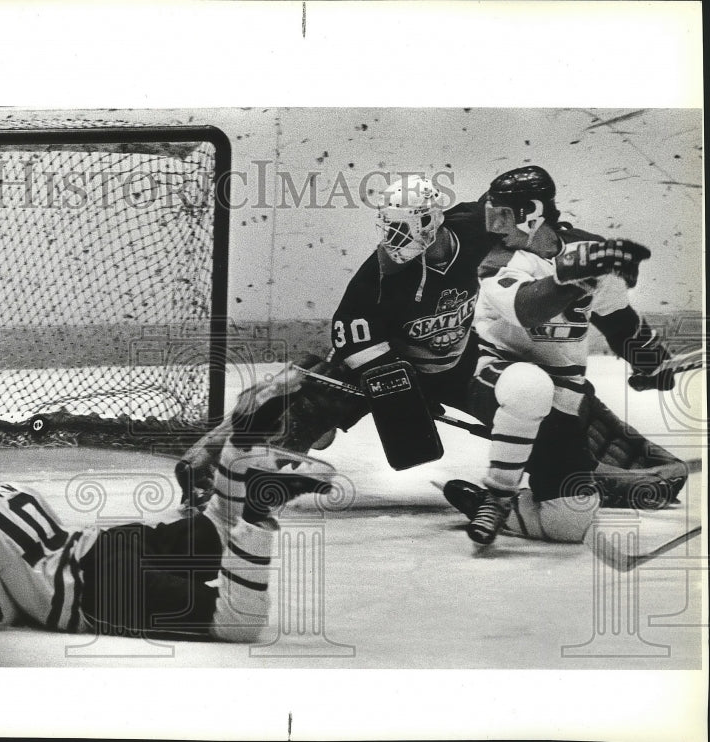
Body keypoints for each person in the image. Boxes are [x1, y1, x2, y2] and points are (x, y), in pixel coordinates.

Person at [177, 176, 501, 502]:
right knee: (313, 406)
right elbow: (349, 332)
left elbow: (504, 205)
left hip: (457, 357)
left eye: (406, 227)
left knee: (512, 400)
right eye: (391, 227)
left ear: (431, 220)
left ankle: (525, 483)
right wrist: (401, 391)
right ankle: (223, 465)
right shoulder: (380, 272)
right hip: (391, 362)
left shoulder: (474, 229)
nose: (396, 238)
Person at [0, 423, 335, 641]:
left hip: (98, 590)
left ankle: (256, 511)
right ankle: (237, 463)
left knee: (238, 622)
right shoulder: (7, 487)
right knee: (213, 533)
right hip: (108, 544)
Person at [445, 165, 688, 546]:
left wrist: (651, 361)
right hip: (498, 381)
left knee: (568, 523)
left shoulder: (585, 255)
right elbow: (528, 308)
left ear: (533, 211)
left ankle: (490, 508)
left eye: (502, 214)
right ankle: (497, 495)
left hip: (564, 399)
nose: (493, 226)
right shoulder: (497, 260)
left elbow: (618, 319)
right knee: (530, 385)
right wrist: (581, 275)